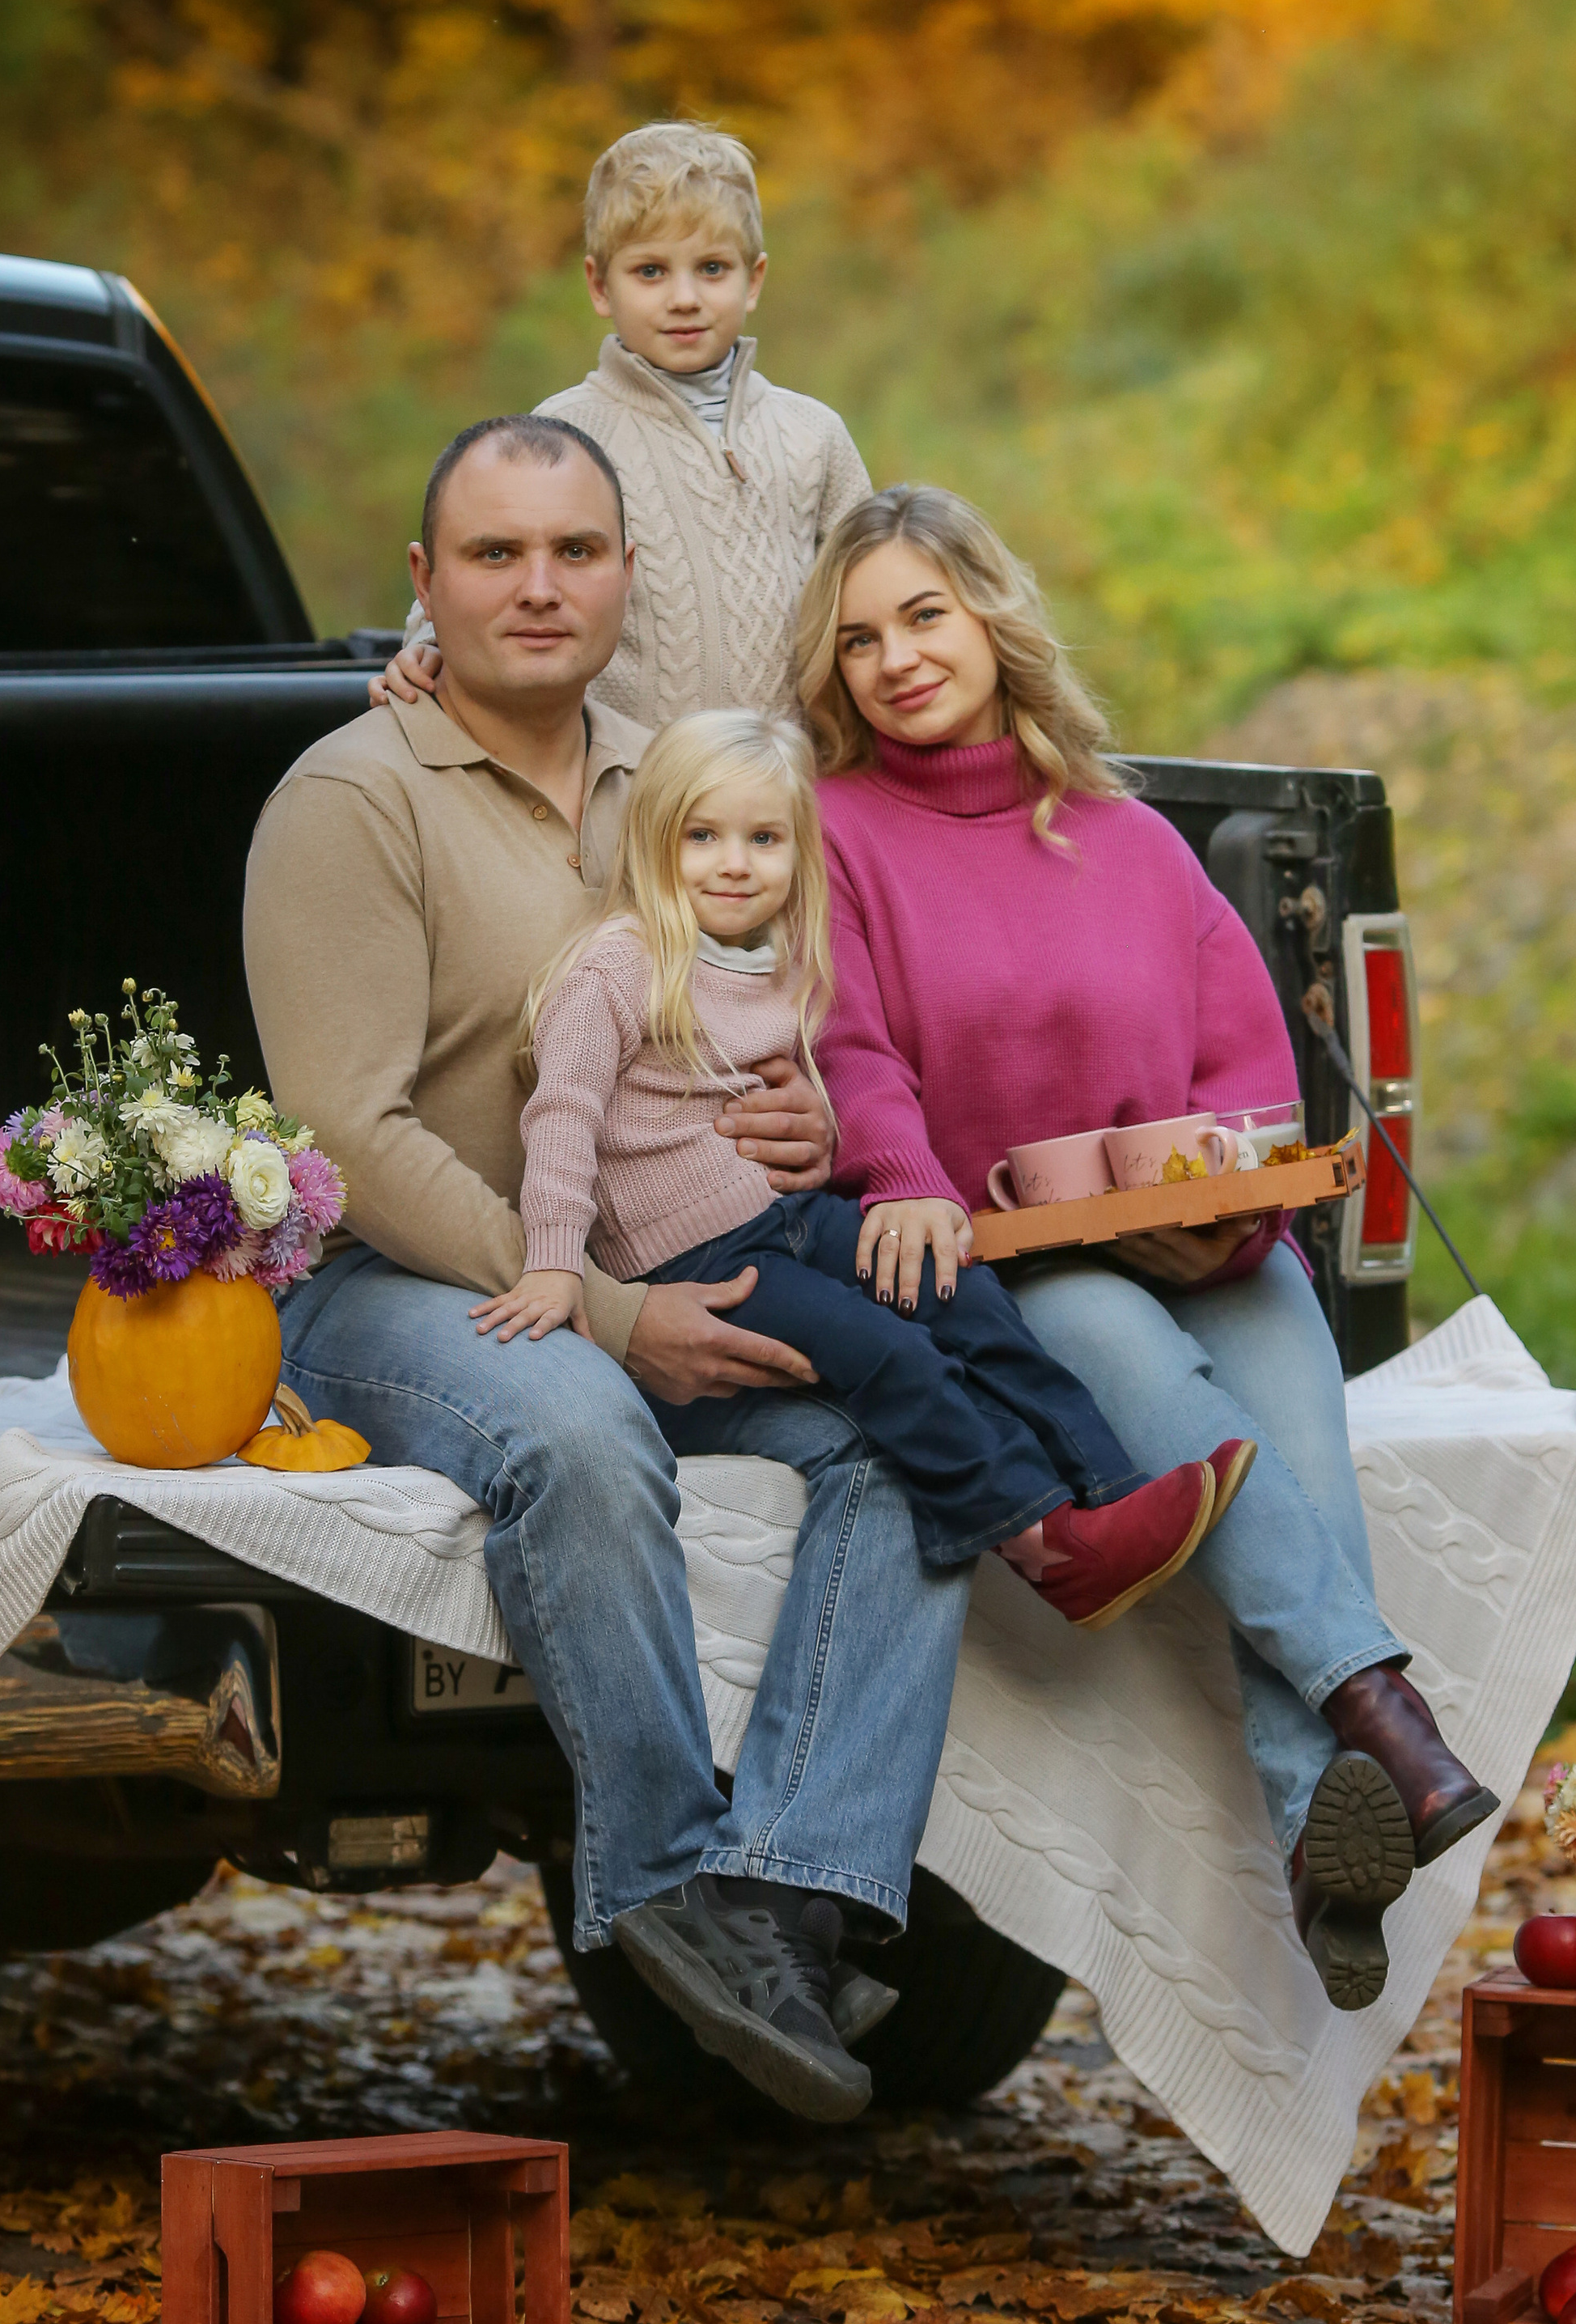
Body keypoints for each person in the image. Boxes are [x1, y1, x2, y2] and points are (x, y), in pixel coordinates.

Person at [243, 413, 973, 2123]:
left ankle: (791, 1896)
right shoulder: (354, 796)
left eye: (575, 550)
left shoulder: (684, 788)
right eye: (493, 554)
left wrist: (796, 1125)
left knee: (898, 1431)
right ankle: (658, 1885)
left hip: (676, 1261)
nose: (539, 586)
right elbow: (340, 1127)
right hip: (393, 1297)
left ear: (626, 576)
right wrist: (606, 1311)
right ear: (422, 584)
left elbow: (777, 1021)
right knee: (574, 1425)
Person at [794, 483, 1501, 2015]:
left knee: (1284, 1423)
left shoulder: (1124, 835)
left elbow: (1243, 1066)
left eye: (924, 615)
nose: (898, 659)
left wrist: (1227, 1207)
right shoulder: (834, 832)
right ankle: (1384, 1714)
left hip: (1195, 1239)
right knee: (1145, 1376)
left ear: (991, 614)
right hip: (1007, 1259)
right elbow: (851, 1055)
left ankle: (1327, 1821)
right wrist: (906, 1182)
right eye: (859, 641)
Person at [477, 703, 1250, 1622]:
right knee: (883, 1349)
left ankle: (1110, 1492)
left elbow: (820, 1099)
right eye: (703, 836)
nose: (734, 862)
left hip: (789, 1221)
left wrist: (830, 1138)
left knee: (956, 1289)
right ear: (654, 843)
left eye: (763, 839)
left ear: (797, 853)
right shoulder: (618, 968)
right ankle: (1045, 1548)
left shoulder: (784, 967)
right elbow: (560, 1116)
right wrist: (556, 1264)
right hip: (699, 1262)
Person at [375, 121, 871, 727]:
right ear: (599, 285)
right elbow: (474, 573)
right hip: (621, 789)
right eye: (651, 272)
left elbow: (874, 593)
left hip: (789, 791)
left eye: (713, 268)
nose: (685, 297)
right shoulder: (563, 437)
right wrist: (426, 646)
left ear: (754, 280)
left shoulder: (812, 435)